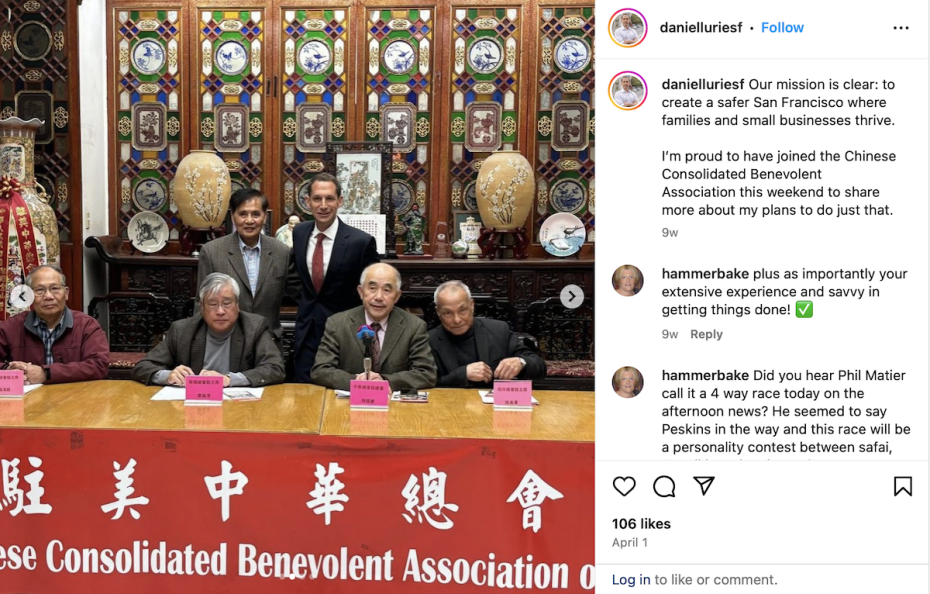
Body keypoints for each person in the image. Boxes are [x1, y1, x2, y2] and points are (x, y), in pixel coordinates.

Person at [289, 172, 380, 382]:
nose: (323, 205)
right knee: (305, 392)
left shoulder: (361, 242)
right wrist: (306, 302)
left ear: (340, 201)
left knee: (341, 393)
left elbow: (371, 288)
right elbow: (295, 276)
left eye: (329, 198)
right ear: (307, 202)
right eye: (317, 198)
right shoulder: (300, 232)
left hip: (343, 333)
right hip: (307, 331)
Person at [131, 273, 284, 387]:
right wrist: (168, 375)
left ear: (238, 305)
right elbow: (142, 367)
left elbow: (275, 368)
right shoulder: (182, 330)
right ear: (202, 307)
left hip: (240, 408)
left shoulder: (254, 327)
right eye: (212, 304)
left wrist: (229, 379)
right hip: (193, 407)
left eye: (227, 303)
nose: (220, 311)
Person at [311, 263, 436, 391]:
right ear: (361, 292)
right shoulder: (337, 323)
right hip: (348, 404)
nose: (378, 297)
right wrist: (356, 382)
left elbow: (426, 373)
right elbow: (321, 370)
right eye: (372, 288)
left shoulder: (414, 326)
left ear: (397, 296)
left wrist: (385, 382)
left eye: (387, 290)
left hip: (394, 405)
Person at [196, 188, 289, 346]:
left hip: (268, 343)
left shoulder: (282, 252)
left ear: (265, 216)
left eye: (256, 214)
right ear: (233, 217)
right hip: (225, 342)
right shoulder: (212, 251)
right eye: (243, 214)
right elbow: (201, 304)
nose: (249, 220)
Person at [0, 264, 109, 384]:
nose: (48, 296)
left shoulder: (87, 325)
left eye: (55, 289)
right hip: (28, 400)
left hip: (74, 398)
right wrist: (9, 370)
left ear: (66, 293)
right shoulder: (11, 327)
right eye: (39, 290)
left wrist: (46, 373)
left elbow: (99, 365)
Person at [428, 281, 545, 388]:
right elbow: (425, 384)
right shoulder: (429, 341)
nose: (457, 319)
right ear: (438, 312)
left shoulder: (498, 330)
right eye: (448, 313)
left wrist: (521, 362)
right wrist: (461, 375)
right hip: (449, 406)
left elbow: (539, 366)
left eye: (462, 310)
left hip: (493, 406)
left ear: (472, 305)